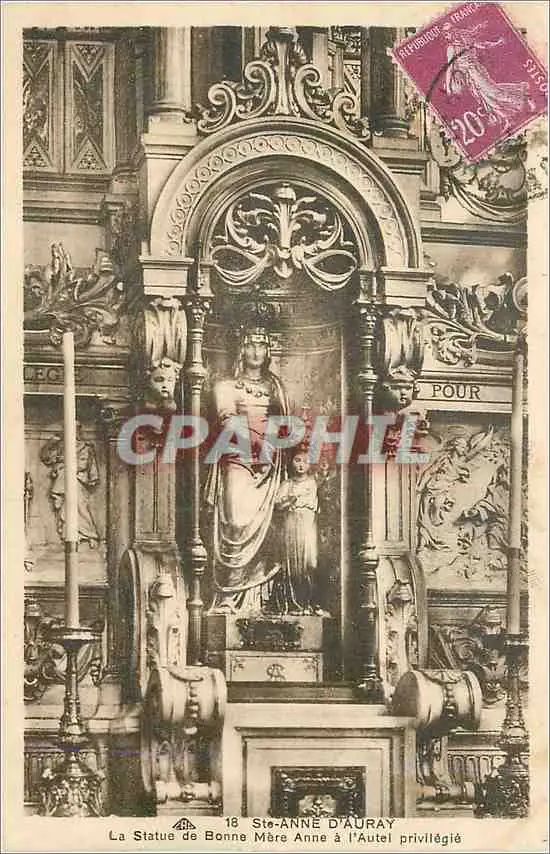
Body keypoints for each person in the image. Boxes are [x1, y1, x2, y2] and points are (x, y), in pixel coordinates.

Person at [204, 322, 289, 613]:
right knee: (236, 521)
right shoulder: (225, 386)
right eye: (251, 344)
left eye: (262, 345)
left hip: (269, 463)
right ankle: (228, 595)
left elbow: (283, 422)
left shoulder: (275, 387)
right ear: (241, 348)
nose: (256, 351)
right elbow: (227, 420)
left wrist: (271, 446)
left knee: (271, 525)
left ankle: (259, 598)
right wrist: (257, 442)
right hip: (238, 458)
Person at [443, 22, 535, 133]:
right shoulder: (463, 42)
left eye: (447, 33)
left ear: (453, 32)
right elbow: (483, 45)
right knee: (486, 99)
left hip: (475, 73)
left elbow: (449, 68)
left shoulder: (453, 47)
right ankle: (507, 119)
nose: (446, 36)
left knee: (493, 93)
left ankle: (524, 96)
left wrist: (448, 89)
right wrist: (497, 43)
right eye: (445, 34)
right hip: (472, 75)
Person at [268, 447, 326, 616]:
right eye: (297, 460)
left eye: (305, 461)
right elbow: (277, 505)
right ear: (291, 463)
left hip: (308, 525)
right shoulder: (287, 484)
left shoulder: (314, 482)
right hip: (291, 525)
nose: (301, 465)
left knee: (310, 562)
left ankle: (310, 603)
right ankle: (293, 604)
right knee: (291, 564)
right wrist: (290, 499)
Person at [40, 423, 101, 547]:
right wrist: (51, 443)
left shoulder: (85, 447)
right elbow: (46, 457)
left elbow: (83, 464)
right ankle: (70, 535)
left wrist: (63, 465)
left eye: (75, 430)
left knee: (80, 506)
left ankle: (89, 534)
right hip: (63, 480)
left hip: (77, 480)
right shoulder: (61, 446)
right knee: (65, 507)